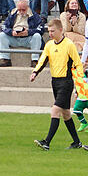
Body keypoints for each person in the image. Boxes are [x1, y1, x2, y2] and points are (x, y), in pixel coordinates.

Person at [30, 19, 84, 151]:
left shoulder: (69, 45)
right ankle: (77, 142)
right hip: (55, 82)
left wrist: (79, 84)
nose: (50, 33)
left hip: (66, 82)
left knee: (55, 110)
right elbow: (43, 60)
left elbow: (78, 64)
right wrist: (35, 72)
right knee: (65, 113)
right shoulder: (49, 45)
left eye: (53, 31)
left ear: (61, 30)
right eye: (49, 31)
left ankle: (46, 142)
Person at [0, 0, 43, 67]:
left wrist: (28, 32)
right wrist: (11, 32)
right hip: (14, 38)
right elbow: (3, 27)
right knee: (2, 35)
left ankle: (35, 60)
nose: (21, 12)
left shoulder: (34, 15)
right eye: (19, 9)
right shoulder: (12, 14)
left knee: (37, 36)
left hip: (28, 39)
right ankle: (6, 59)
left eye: (23, 10)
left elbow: (40, 28)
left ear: (27, 7)